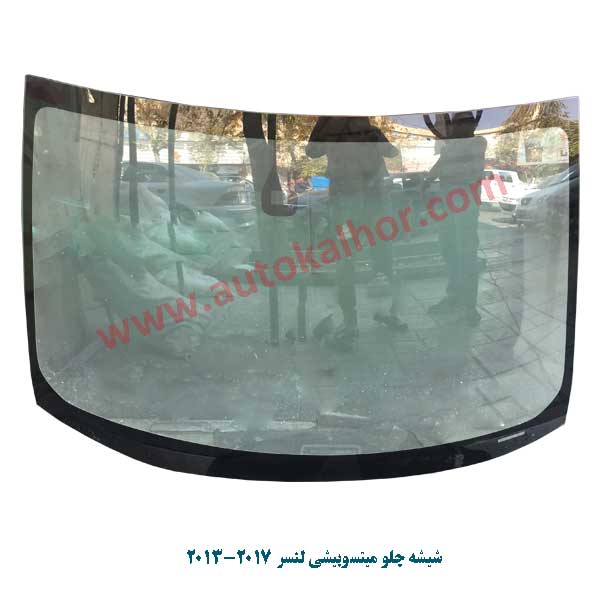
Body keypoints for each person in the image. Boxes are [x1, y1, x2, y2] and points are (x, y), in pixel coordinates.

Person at [306, 116, 407, 349]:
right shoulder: (363, 133)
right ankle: (367, 317)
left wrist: (325, 124)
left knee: (355, 258)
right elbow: (391, 152)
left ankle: (359, 320)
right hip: (363, 202)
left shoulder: (340, 133)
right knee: (366, 257)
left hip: (358, 203)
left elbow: (312, 150)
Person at [423, 111, 486, 326]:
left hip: (465, 205)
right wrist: (426, 181)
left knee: (467, 254)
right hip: (447, 204)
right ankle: (454, 297)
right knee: (449, 250)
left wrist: (448, 140)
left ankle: (469, 307)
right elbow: (442, 164)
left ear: (472, 125)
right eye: (456, 123)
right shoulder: (452, 145)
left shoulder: (477, 143)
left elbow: (456, 160)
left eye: (462, 122)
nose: (457, 127)